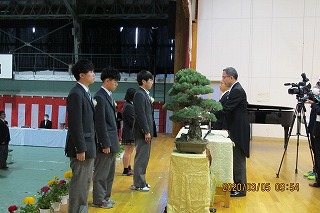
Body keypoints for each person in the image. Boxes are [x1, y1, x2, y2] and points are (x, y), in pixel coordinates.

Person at [65, 59, 96, 213]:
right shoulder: (76, 93)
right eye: (91, 72)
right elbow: (75, 124)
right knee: (79, 183)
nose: (94, 74)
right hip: (82, 146)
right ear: (82, 75)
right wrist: (80, 148)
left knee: (85, 182)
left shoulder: (85, 92)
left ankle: (82, 210)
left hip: (89, 144)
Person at [214, 67, 250, 197]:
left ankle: (241, 189)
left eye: (224, 77)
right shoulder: (235, 89)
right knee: (235, 159)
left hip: (238, 130)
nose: (222, 79)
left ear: (231, 78)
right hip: (236, 128)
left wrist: (211, 116)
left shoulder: (237, 90)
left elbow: (227, 109)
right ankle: (237, 186)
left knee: (238, 159)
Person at [92, 67, 121, 209]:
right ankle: (98, 199)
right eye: (115, 82)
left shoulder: (108, 96)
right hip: (105, 142)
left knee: (109, 172)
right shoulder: (99, 97)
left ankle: (106, 196)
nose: (117, 84)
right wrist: (104, 143)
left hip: (112, 140)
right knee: (101, 173)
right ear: (107, 81)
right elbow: (100, 123)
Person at [130, 70, 154, 192]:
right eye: (150, 80)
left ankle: (141, 181)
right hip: (142, 132)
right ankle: (138, 183)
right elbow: (140, 114)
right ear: (143, 81)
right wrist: (146, 131)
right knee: (141, 157)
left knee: (144, 158)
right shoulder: (139, 94)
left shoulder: (144, 93)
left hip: (146, 131)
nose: (152, 83)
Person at [121, 88, 136, 176]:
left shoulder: (129, 105)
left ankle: (129, 167)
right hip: (129, 132)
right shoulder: (128, 106)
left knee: (130, 151)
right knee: (128, 151)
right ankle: (126, 169)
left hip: (130, 132)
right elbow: (132, 120)